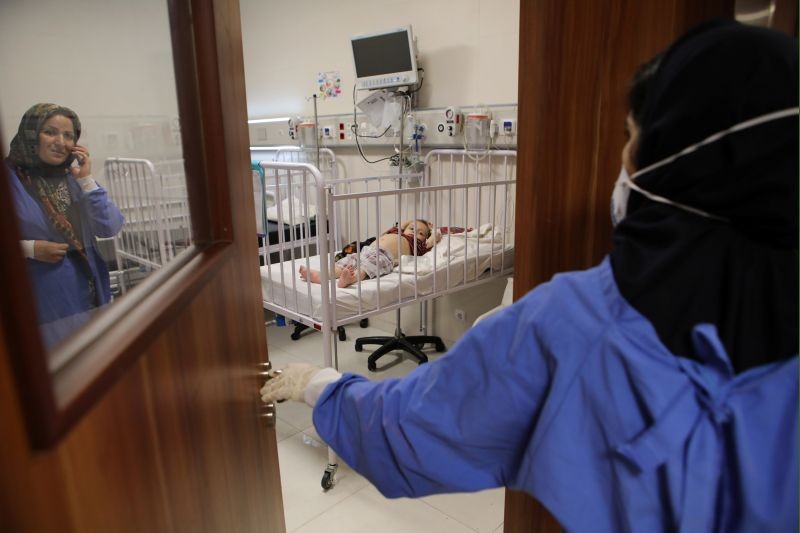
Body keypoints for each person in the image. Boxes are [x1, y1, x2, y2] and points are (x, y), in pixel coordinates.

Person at [262, 20, 798, 532]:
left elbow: (408, 429)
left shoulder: (573, 328)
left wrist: (322, 386)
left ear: (667, 160)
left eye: (630, 137)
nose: (623, 158)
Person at [7, 103, 124, 349]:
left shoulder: (74, 177)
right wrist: (29, 249)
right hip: (43, 303)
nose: (61, 142)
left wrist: (87, 181)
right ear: (31, 133)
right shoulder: (9, 180)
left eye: (69, 135)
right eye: (50, 132)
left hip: (92, 294)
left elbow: (109, 226)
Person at [299, 219, 438, 288]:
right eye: (412, 228)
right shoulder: (396, 232)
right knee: (345, 262)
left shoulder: (420, 244)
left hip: (386, 256)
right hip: (367, 250)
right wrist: (412, 222)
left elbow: (435, 237)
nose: (415, 232)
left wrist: (432, 230)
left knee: (367, 267)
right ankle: (321, 275)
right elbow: (401, 224)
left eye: (420, 233)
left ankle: (351, 279)